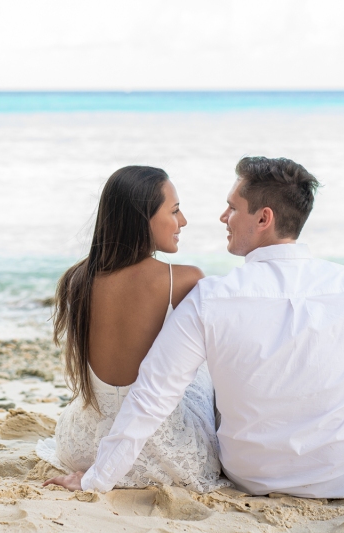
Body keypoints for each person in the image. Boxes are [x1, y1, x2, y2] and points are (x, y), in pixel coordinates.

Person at [45, 156, 344, 526]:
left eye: (232, 207)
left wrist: (97, 480)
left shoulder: (210, 297)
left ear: (262, 218)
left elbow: (152, 395)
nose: (222, 216)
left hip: (250, 477)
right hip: (341, 479)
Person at [36, 165, 228, 493]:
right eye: (175, 210)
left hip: (83, 446)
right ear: (143, 218)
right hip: (164, 453)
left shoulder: (76, 280)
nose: (183, 221)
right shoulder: (183, 280)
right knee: (202, 367)